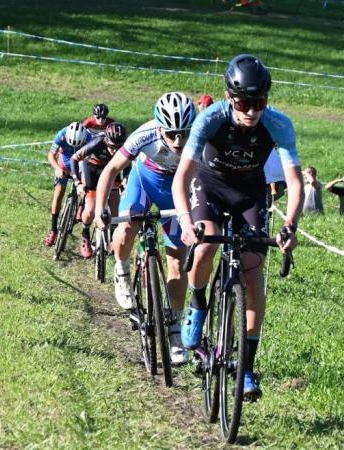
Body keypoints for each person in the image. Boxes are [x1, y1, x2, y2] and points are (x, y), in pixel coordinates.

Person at [172, 54, 303, 399]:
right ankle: (198, 304)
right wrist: (186, 222)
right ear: (230, 98)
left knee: (253, 270)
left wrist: (291, 226)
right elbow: (181, 178)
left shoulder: (278, 124)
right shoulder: (210, 119)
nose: (251, 111)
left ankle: (245, 366)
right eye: (244, 103)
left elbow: (295, 181)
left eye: (258, 102)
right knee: (205, 246)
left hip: (249, 193)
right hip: (210, 186)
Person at [94, 92, 197, 365]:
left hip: (176, 192)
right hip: (144, 182)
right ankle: (122, 268)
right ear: (160, 126)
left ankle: (175, 327)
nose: (179, 140)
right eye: (172, 133)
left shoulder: (200, 137)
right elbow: (111, 170)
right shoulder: (146, 134)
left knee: (177, 262)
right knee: (128, 225)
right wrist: (100, 209)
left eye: (184, 133)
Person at [69, 122, 128, 258]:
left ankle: (113, 238)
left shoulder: (125, 147)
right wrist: (78, 182)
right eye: (112, 147)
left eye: (118, 147)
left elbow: (128, 164)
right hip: (92, 169)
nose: (115, 151)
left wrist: (125, 178)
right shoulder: (97, 142)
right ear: (106, 140)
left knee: (115, 206)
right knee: (90, 209)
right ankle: (85, 235)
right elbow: (74, 158)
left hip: (111, 171)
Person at [44, 122, 94, 247]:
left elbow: (93, 159)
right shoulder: (61, 134)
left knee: (85, 183)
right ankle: (53, 230)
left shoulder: (89, 138)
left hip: (81, 163)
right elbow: (51, 154)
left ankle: (82, 204)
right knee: (58, 194)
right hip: (65, 163)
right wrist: (57, 169)